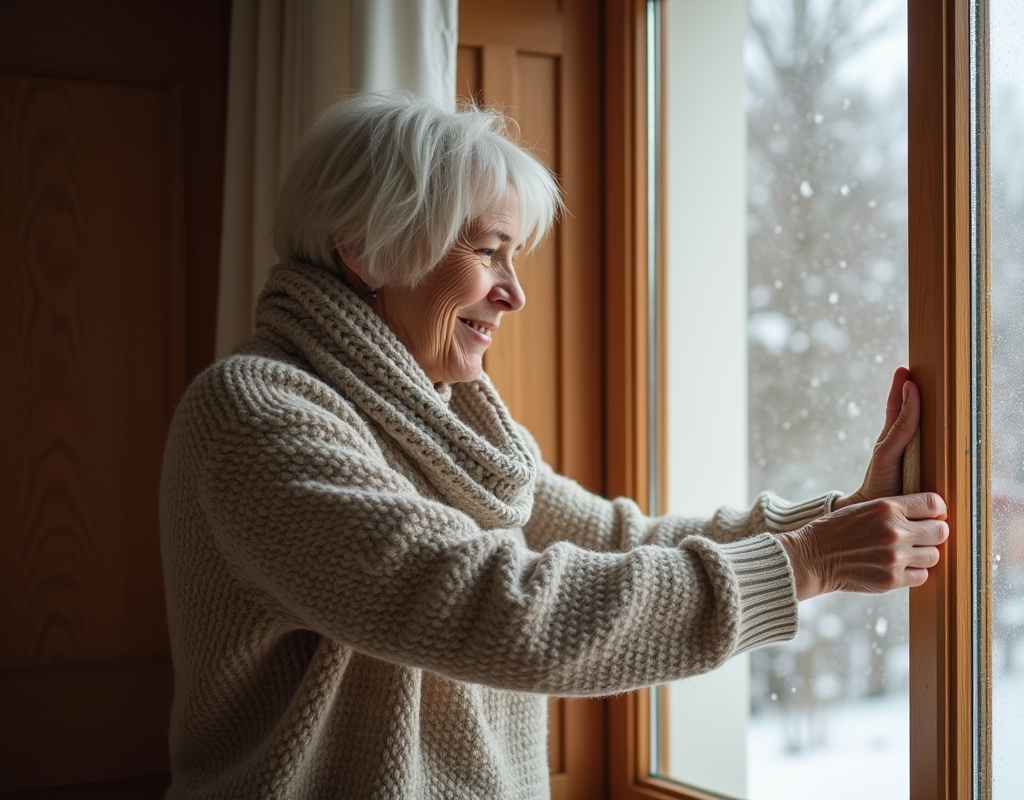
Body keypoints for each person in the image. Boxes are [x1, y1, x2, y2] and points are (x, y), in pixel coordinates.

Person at [159, 93, 947, 800]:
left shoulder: (445, 420)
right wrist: (805, 563)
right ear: (365, 249)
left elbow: (617, 542)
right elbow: (498, 609)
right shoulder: (255, 415)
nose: (514, 291)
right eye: (487, 250)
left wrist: (836, 518)